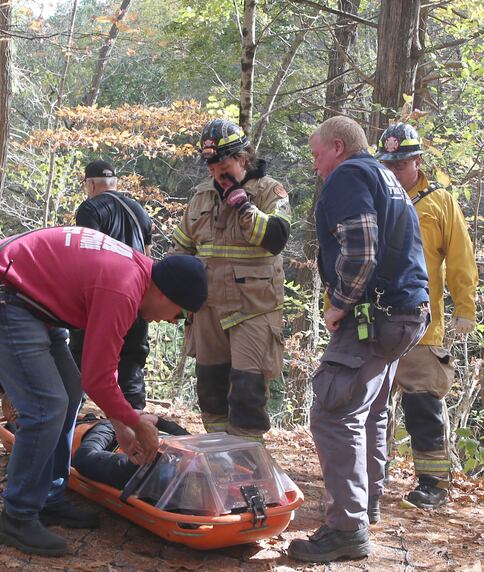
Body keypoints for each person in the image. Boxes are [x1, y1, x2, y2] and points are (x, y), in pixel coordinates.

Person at [0, 226, 207, 557]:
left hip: (28, 299)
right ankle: (18, 517)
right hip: (1, 292)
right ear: (167, 295)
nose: (170, 322)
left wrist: (122, 426)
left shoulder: (135, 275)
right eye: (180, 315)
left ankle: (49, 497)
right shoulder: (124, 289)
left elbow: (98, 373)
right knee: (46, 405)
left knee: (69, 391)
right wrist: (135, 424)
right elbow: (99, 378)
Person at [288, 116, 429, 562]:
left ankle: (347, 529)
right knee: (369, 411)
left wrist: (339, 304)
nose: (315, 167)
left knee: (334, 409)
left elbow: (361, 249)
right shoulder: (386, 178)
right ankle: (364, 506)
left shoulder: (348, 175)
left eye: (315, 156)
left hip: (377, 315)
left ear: (337, 146)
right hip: (408, 314)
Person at [377, 123, 478, 509]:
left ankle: (433, 484)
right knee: (373, 406)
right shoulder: (376, 196)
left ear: (418, 161)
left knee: (423, 406)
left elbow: (460, 259)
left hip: (422, 325)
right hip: (377, 321)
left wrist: (464, 308)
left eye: (401, 163)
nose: (394, 170)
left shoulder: (440, 202)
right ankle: (373, 472)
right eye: (388, 164)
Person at [171, 118, 291, 441]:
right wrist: (173, 298)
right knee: (210, 391)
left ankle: (249, 467)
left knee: (247, 396)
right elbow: (180, 252)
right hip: (208, 310)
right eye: (211, 167)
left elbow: (278, 237)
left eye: (222, 165)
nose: (216, 174)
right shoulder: (201, 197)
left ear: (242, 158)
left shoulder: (270, 191)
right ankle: (220, 460)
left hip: (253, 309)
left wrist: (246, 209)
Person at [70, 159, 153, 410]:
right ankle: (135, 414)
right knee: (133, 355)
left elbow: (88, 252)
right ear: (115, 182)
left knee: (81, 351)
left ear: (90, 184)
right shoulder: (139, 210)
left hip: (104, 293)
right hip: (139, 290)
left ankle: (75, 409)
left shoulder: (89, 208)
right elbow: (148, 255)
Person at [73, 415, 189, 489]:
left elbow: (83, 457)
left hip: (101, 434)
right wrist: (156, 421)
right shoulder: (196, 457)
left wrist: (121, 427)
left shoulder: (136, 470)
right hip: (108, 430)